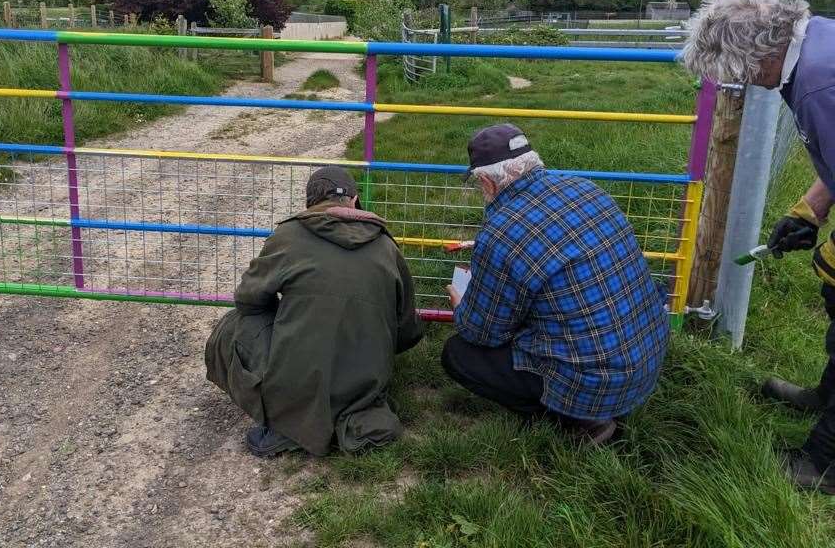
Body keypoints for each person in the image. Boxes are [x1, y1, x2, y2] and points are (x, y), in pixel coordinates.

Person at [682, 0, 835, 493]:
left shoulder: (817, 85)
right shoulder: (816, 47)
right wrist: (812, 208)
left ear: (756, 54)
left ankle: (824, 462)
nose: (738, 82)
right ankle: (826, 396)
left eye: (733, 70)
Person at [441, 123, 670, 444]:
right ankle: (593, 408)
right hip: (646, 357)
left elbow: (483, 332)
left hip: (595, 383)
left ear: (486, 182)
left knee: (459, 354)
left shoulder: (501, 231)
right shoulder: (589, 189)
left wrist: (462, 307)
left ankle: (580, 420)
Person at [205, 165, 424, 457]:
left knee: (232, 325)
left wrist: (288, 309)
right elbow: (408, 331)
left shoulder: (288, 235)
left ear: (310, 203)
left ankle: (287, 424)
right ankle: (352, 412)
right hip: (366, 380)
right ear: (356, 200)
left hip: (300, 377)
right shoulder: (387, 245)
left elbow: (247, 300)